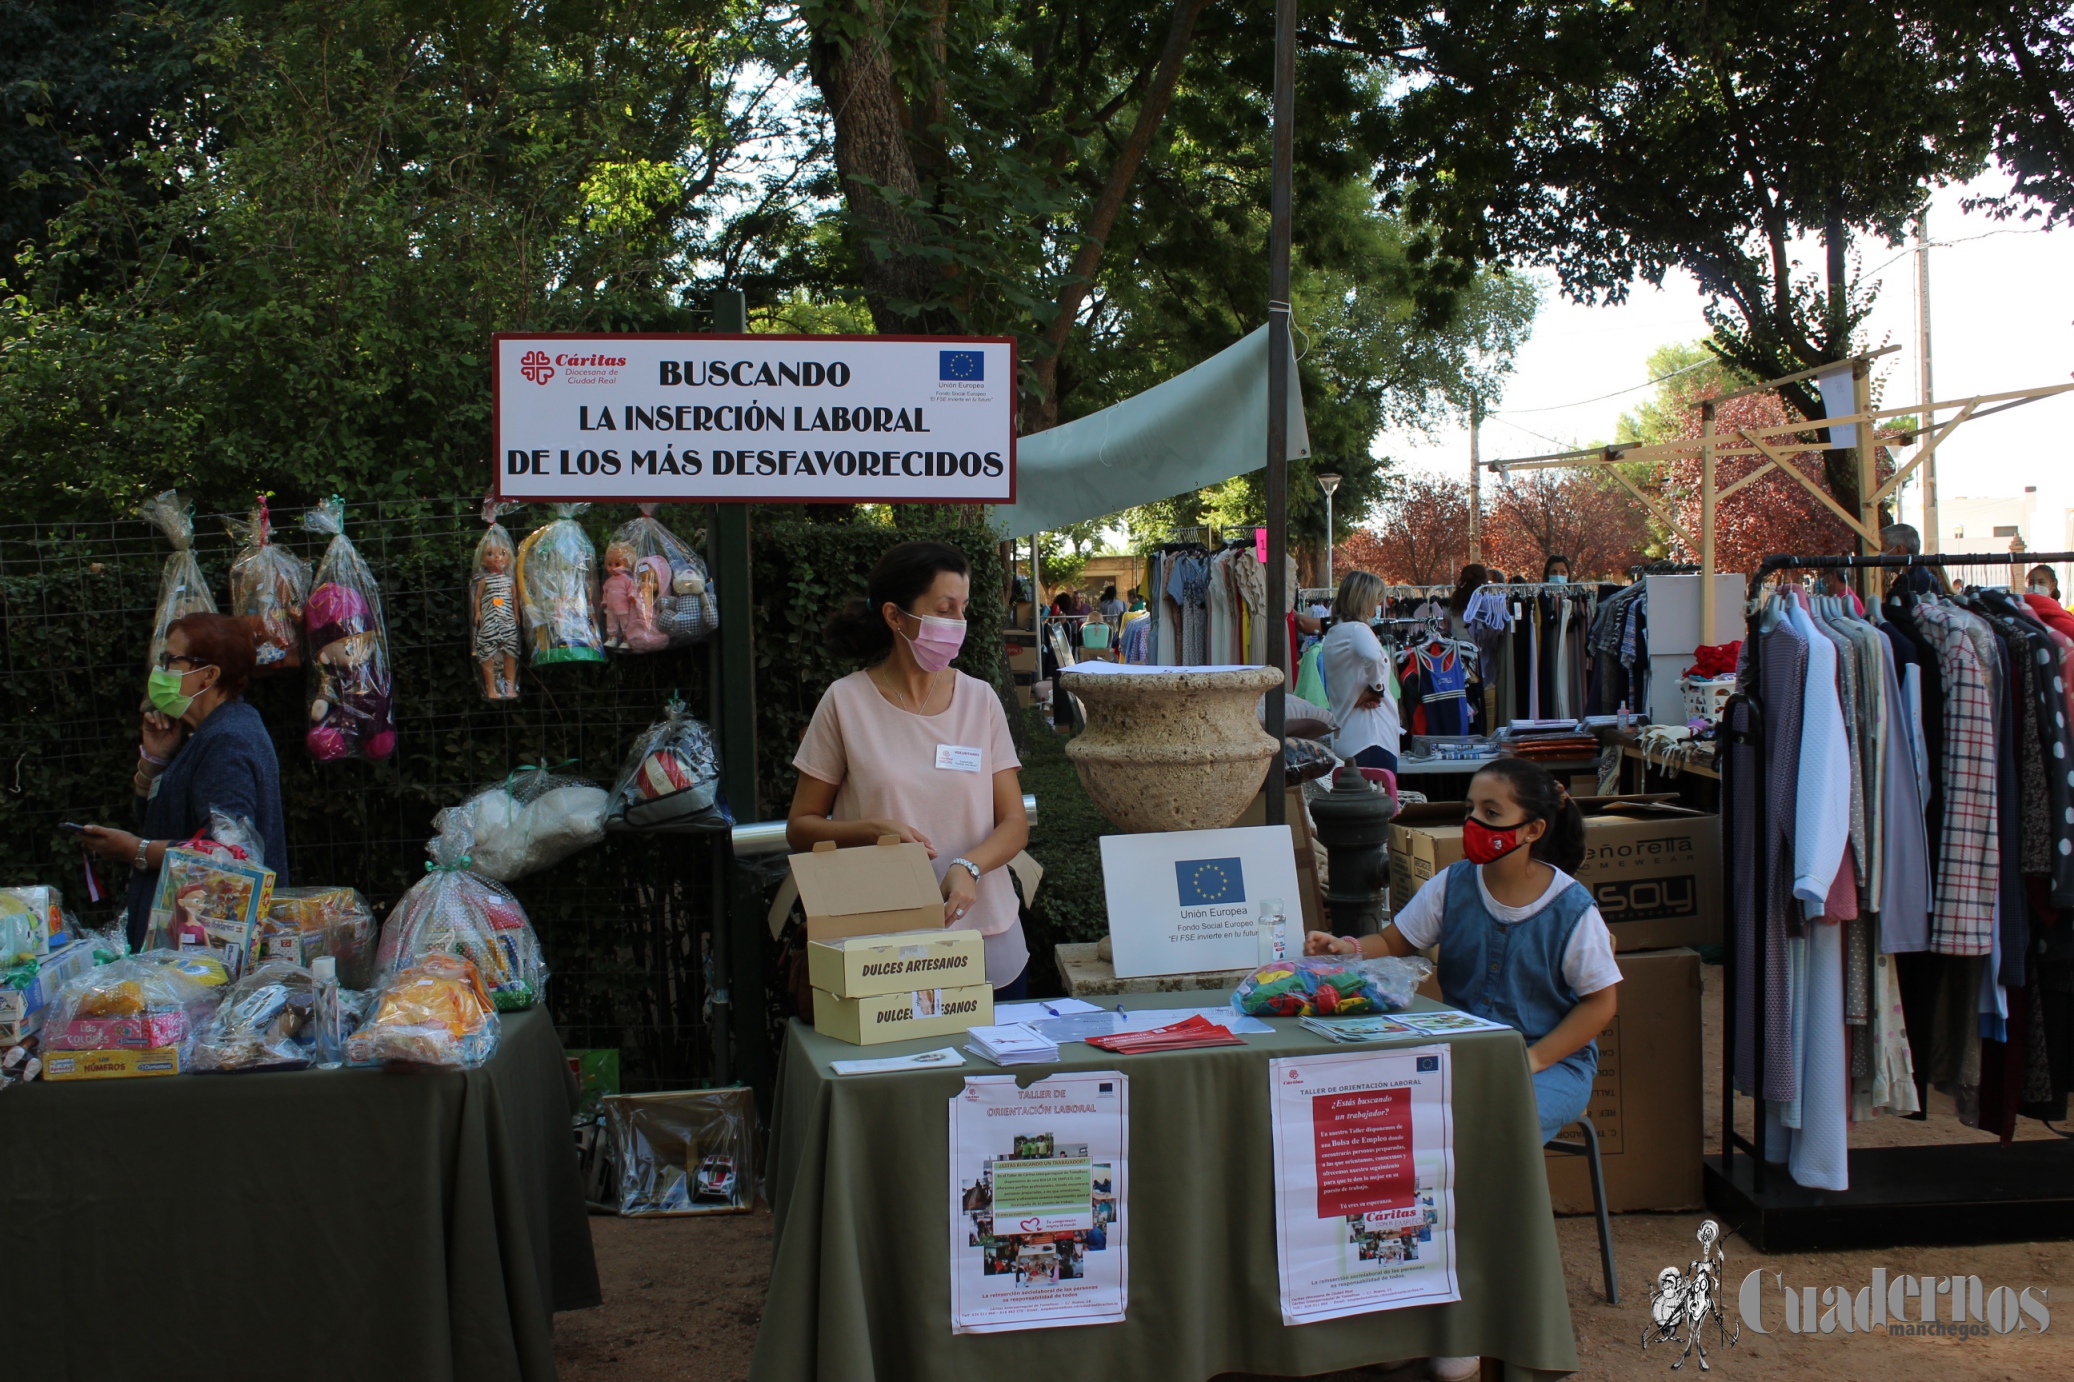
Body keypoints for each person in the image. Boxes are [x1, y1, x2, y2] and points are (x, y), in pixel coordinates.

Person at [1305, 756, 1620, 1143]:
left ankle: (1493, 1205)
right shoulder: (1452, 884)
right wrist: (1346, 947)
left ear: (1532, 830)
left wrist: (1533, 1060)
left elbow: (1601, 1002)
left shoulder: (1572, 910)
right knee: (1378, 1111)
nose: (1473, 823)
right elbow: (1393, 941)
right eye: (1470, 809)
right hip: (1461, 1052)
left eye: (1491, 812)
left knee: (1496, 1120)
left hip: (1552, 1064)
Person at [787, 541, 1034, 995]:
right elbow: (800, 828)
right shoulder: (845, 703)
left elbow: (1014, 824)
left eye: (963, 608)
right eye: (945, 609)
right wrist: (869, 830)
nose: (958, 623)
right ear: (894, 616)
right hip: (879, 951)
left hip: (985, 941)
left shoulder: (980, 701)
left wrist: (970, 867)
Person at [81, 613, 289, 950]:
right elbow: (163, 823)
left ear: (208, 675)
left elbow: (229, 855)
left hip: (208, 957)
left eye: (169, 660)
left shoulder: (227, 740)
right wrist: (154, 761)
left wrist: (135, 851)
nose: (159, 671)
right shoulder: (214, 732)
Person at [1317, 570, 1399, 773]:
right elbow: (1373, 657)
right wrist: (1376, 688)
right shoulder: (1357, 630)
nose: (1378, 607)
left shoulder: (1335, 633)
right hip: (1371, 737)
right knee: (1381, 801)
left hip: (1348, 736)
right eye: (1376, 601)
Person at [1880, 523, 1943, 595]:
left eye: (1883, 549)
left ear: (1899, 550)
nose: (1880, 554)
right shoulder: (1916, 578)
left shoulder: (1917, 583)